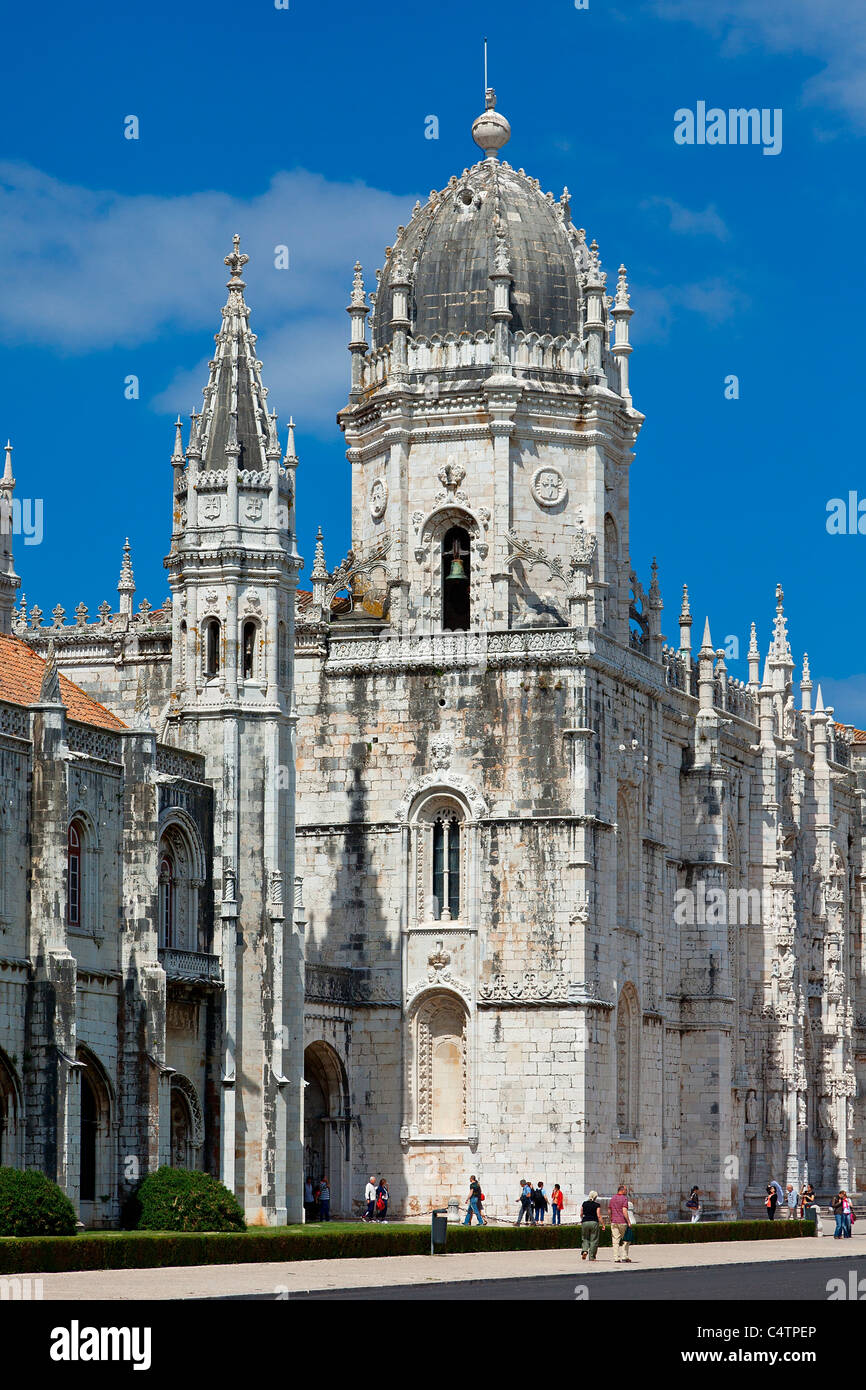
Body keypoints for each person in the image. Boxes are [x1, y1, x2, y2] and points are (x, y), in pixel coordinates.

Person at [608, 1184, 631, 1263]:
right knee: (626, 1240)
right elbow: (624, 1211)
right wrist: (628, 1221)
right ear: (622, 1190)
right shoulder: (624, 1199)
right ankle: (624, 1256)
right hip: (622, 1222)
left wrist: (611, 1218)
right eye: (626, 1190)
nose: (627, 1191)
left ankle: (616, 1258)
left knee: (615, 1240)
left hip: (614, 1221)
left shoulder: (612, 1198)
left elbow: (609, 1210)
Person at [580, 1190, 605, 1261]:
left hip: (585, 1221)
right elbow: (598, 1215)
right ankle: (592, 1257)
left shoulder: (584, 1203)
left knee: (585, 1238)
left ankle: (585, 1250)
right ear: (595, 1197)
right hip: (594, 1222)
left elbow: (581, 1213)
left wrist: (582, 1219)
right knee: (594, 1240)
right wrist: (603, 1224)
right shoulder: (597, 1205)